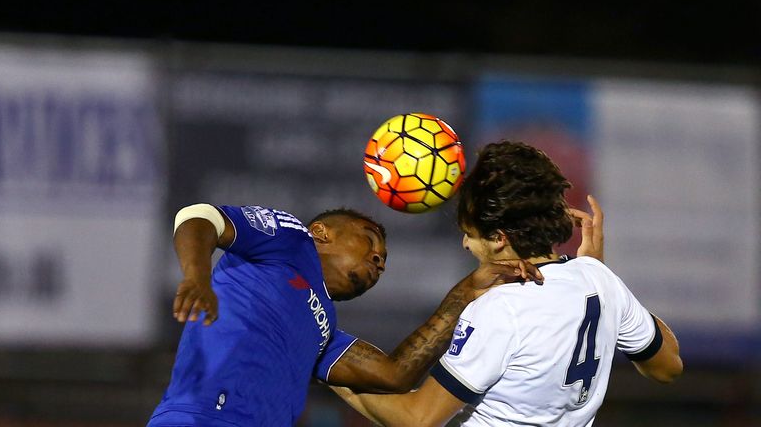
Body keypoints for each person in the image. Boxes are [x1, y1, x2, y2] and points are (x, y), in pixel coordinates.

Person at [333, 141, 683, 426]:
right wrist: (602, 275)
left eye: (469, 234)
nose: (466, 245)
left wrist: (329, 366)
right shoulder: (599, 281)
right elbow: (667, 366)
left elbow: (418, 418)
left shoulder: (501, 310)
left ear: (499, 237)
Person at [147, 203, 542, 426]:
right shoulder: (290, 239)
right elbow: (199, 216)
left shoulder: (322, 328)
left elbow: (394, 374)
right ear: (322, 232)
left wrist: (468, 291)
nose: (378, 259)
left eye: (383, 261)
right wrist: (196, 276)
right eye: (370, 241)